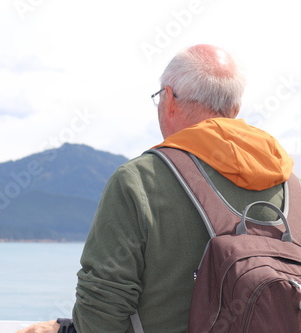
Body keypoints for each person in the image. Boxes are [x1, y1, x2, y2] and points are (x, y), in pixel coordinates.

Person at [17, 44, 294, 333]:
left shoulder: (139, 181)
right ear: (235, 109)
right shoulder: (292, 188)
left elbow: (101, 314)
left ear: (170, 99)